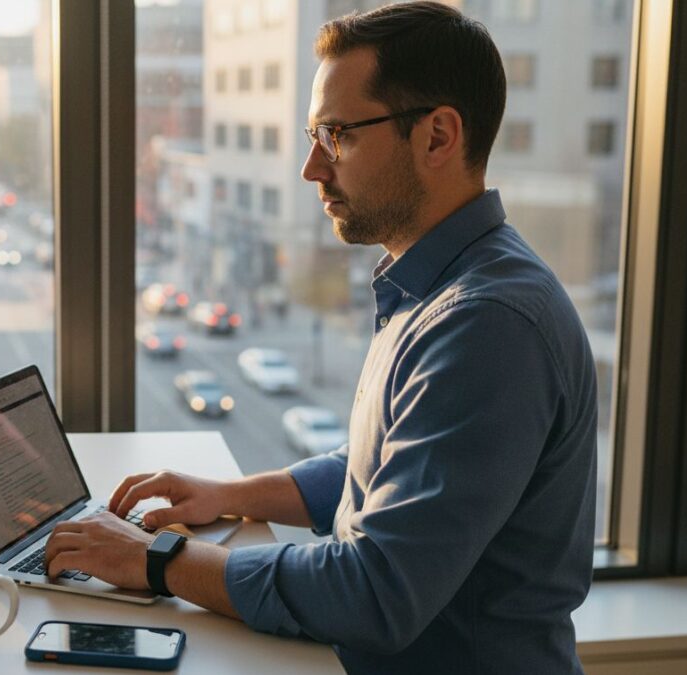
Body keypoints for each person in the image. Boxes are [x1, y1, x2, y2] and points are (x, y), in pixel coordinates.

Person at [44, 3, 598, 673]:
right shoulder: (439, 286)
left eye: (338, 134)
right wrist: (232, 494)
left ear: (438, 136)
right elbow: (383, 468)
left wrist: (155, 560)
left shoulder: (487, 324)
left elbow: (374, 592)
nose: (313, 166)